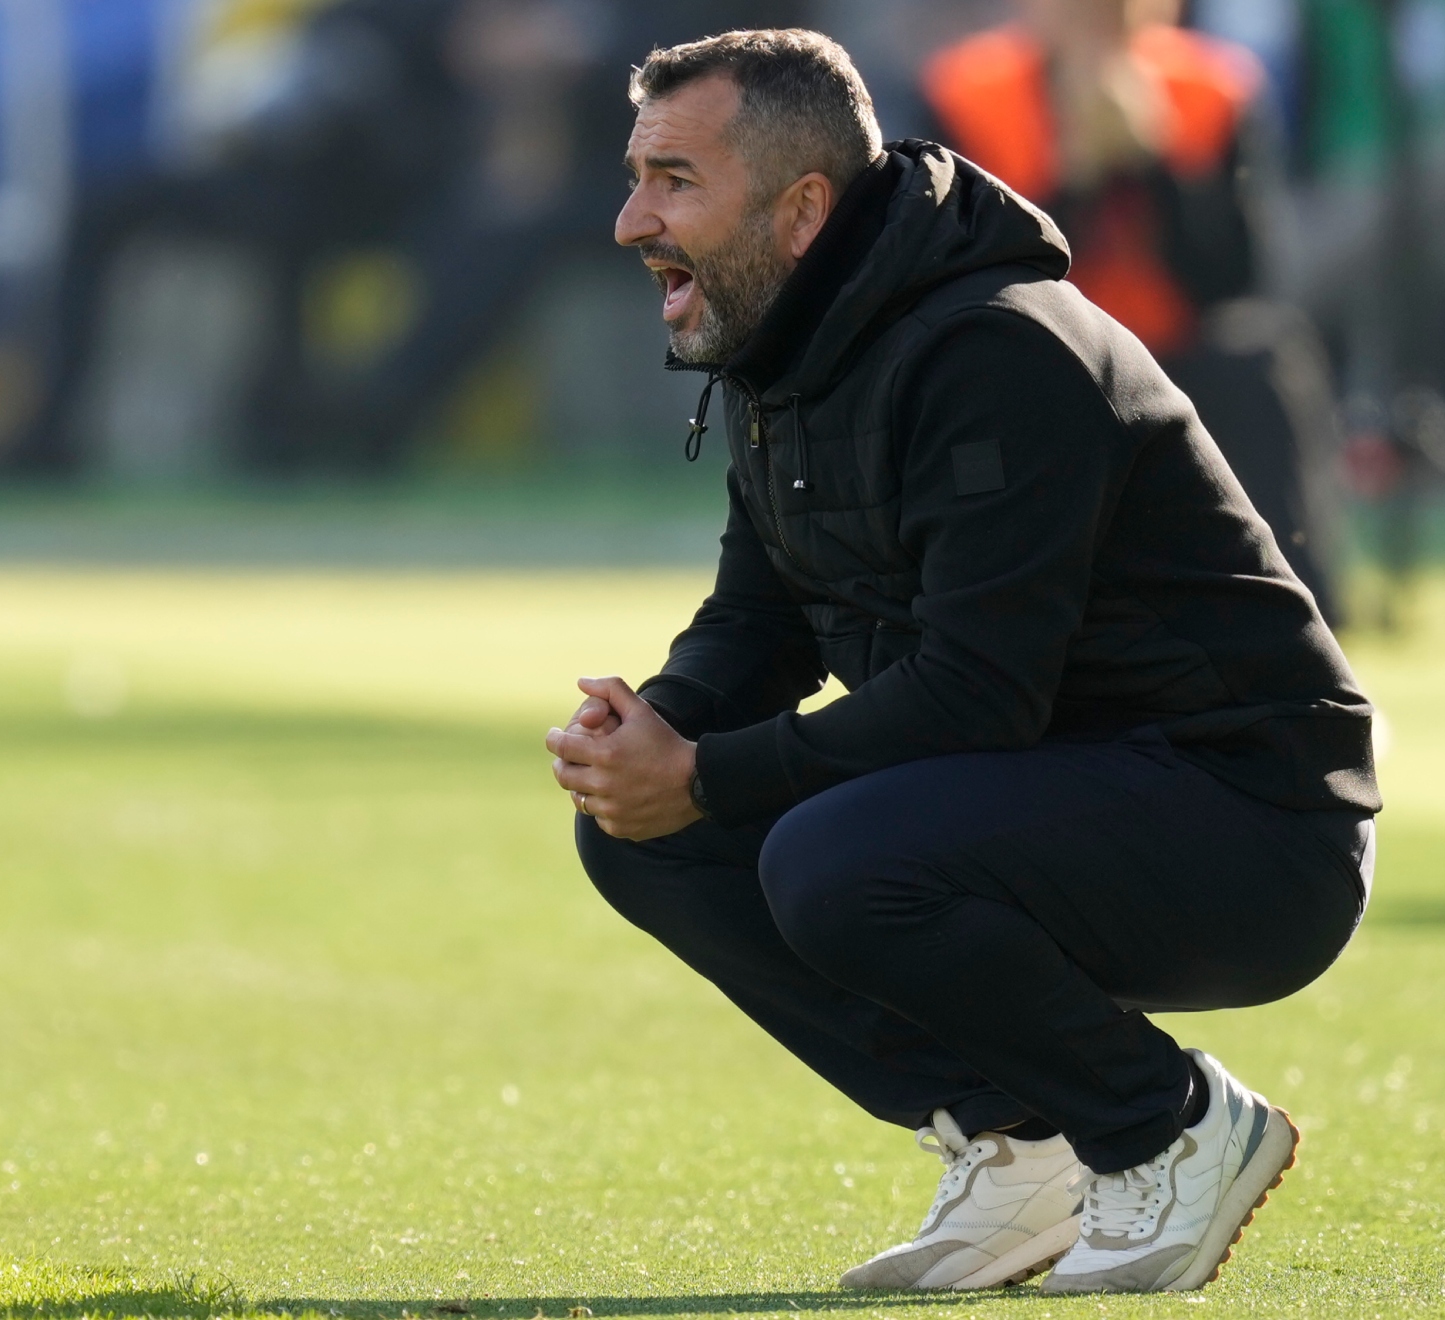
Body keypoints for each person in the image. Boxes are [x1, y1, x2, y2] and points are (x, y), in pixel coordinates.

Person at [546, 29, 1378, 1296]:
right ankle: (1020, 1136)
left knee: (827, 859)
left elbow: (980, 694)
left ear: (802, 208)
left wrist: (707, 773)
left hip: (1252, 827)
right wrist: (652, 733)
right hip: (1057, 793)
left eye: (672, 181)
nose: (629, 221)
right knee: (643, 835)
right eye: (635, 175)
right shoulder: (794, 342)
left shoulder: (998, 348)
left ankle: (1169, 1126)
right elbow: (762, 622)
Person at [919, 0, 1347, 624]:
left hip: (1168, 351)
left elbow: (1235, 277)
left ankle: (1292, 609)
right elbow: (954, 269)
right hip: (1032, 352)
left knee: (1263, 353)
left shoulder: (1212, 88)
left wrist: (1157, 164)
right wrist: (1074, 181)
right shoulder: (967, 94)